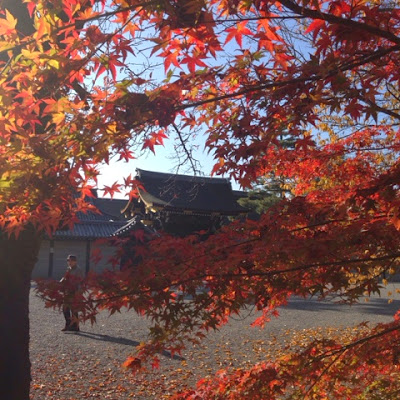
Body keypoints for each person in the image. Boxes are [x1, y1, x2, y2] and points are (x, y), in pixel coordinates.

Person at [60, 255, 84, 332]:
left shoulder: (78, 270)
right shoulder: (68, 269)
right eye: (68, 260)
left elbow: (80, 281)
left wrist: (79, 292)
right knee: (65, 309)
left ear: (75, 261)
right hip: (68, 291)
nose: (69, 262)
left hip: (75, 291)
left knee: (74, 310)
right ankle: (68, 325)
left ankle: (76, 327)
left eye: (70, 260)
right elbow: (65, 278)